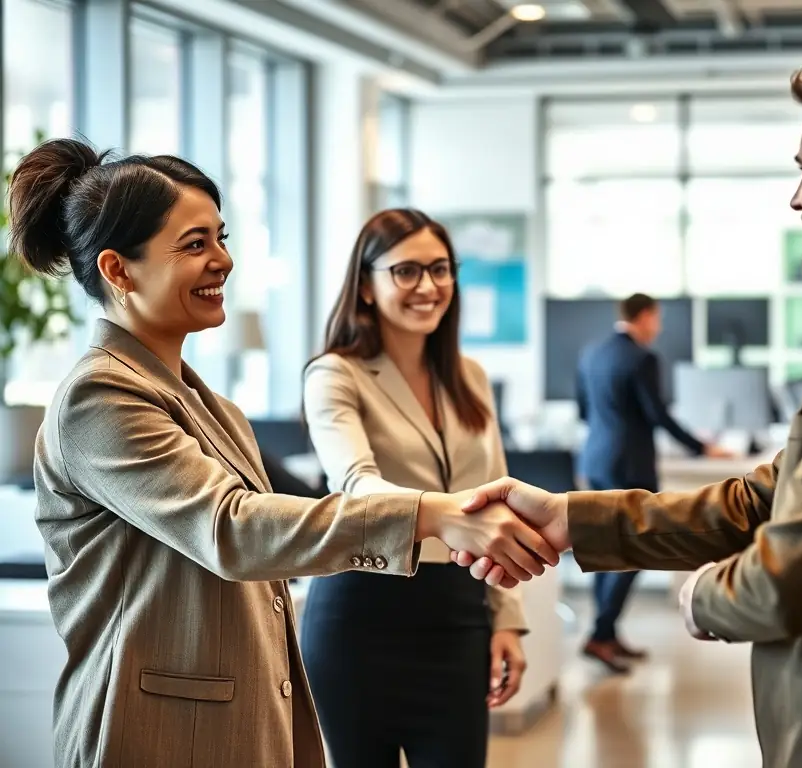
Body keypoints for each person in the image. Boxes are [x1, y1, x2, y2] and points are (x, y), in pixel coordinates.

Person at [454, 53, 802, 768]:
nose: (796, 197)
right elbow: (768, 497)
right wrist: (574, 518)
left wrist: (700, 596)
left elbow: (790, 580)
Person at [12, 139, 557, 768]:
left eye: (221, 238)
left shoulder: (210, 405)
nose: (223, 260)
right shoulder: (99, 396)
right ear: (118, 270)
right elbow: (232, 528)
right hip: (158, 731)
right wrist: (431, 514)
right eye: (195, 244)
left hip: (238, 720)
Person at [299, 209, 527, 768]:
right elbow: (356, 485)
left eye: (440, 269)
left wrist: (507, 618)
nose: (428, 286)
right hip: (361, 615)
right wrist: (452, 516)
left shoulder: (470, 376)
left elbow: (498, 497)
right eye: (406, 271)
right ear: (367, 286)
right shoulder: (335, 374)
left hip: (458, 613)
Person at [576, 292, 731, 672]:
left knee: (603, 546)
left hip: (595, 459)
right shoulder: (642, 358)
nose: (658, 328)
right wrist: (702, 447)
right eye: (656, 319)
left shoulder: (592, 353)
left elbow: (583, 411)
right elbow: (658, 415)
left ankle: (606, 632)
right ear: (644, 316)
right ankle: (600, 634)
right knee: (632, 549)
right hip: (629, 466)